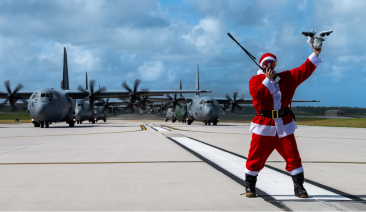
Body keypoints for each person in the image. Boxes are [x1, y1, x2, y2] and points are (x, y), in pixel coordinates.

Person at [245, 46, 322, 198]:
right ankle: (250, 186)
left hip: (283, 125)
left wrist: (315, 53)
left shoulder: (286, 78)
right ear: (261, 65)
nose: (268, 66)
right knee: (255, 156)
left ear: (275, 65)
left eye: (271, 63)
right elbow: (256, 95)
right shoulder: (255, 80)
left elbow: (303, 70)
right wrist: (267, 81)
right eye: (266, 63)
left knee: (293, 156)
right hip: (264, 126)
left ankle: (299, 187)